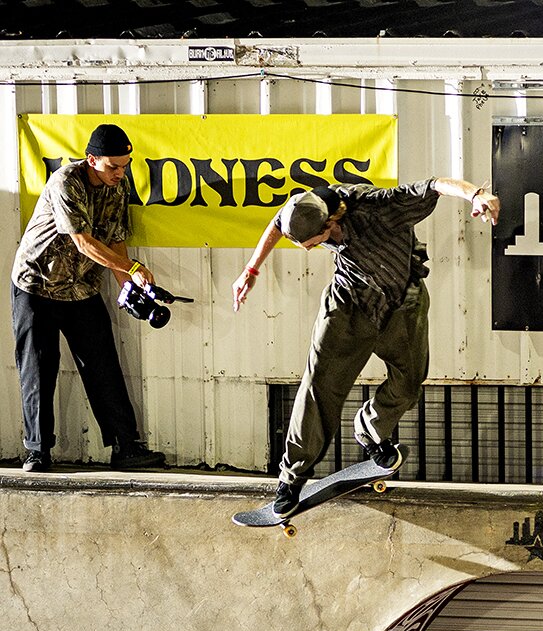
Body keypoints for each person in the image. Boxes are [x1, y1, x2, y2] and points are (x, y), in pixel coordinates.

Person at [232, 176, 499, 518]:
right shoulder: (305, 207)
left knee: (409, 383)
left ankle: (372, 431)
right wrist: (251, 270)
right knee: (318, 386)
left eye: (313, 242)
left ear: (331, 223)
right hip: (348, 302)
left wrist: (476, 195)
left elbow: (434, 185)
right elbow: (276, 224)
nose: (309, 249)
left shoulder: (381, 207)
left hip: (402, 303)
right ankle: (291, 479)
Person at [10, 122, 167, 474]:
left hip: (81, 288)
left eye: (125, 165)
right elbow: (82, 241)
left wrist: (129, 286)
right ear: (91, 160)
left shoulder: (118, 186)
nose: (120, 173)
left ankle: (125, 447)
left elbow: (115, 239)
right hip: (37, 286)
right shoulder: (66, 182)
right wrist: (134, 268)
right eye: (113, 166)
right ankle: (37, 451)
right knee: (38, 369)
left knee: (103, 366)